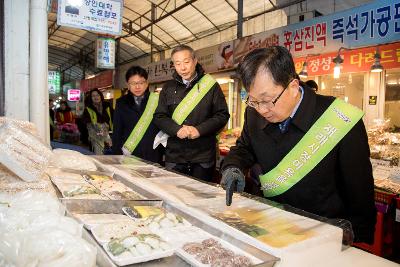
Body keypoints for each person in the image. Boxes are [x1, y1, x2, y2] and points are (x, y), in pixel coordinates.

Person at [220, 46, 376, 244]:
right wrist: (233, 167)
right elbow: (244, 148)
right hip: (268, 223)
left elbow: (360, 192)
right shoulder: (253, 114)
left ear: (293, 86)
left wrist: (357, 236)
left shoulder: (340, 118)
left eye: (267, 100)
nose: (262, 110)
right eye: (253, 101)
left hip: (321, 233)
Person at [153, 44, 229, 182]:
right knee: (174, 195)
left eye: (186, 62)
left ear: (195, 61)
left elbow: (222, 115)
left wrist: (199, 130)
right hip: (175, 155)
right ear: (174, 65)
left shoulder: (211, 86)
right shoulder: (168, 88)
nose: (183, 68)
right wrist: (176, 130)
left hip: (203, 156)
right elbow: (159, 116)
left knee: (201, 196)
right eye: (178, 63)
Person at [112, 66, 163, 164]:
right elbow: (117, 132)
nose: (137, 87)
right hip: (129, 154)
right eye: (133, 83)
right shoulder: (121, 103)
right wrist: (117, 156)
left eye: (141, 82)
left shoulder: (157, 100)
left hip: (153, 153)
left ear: (147, 83)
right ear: (128, 85)